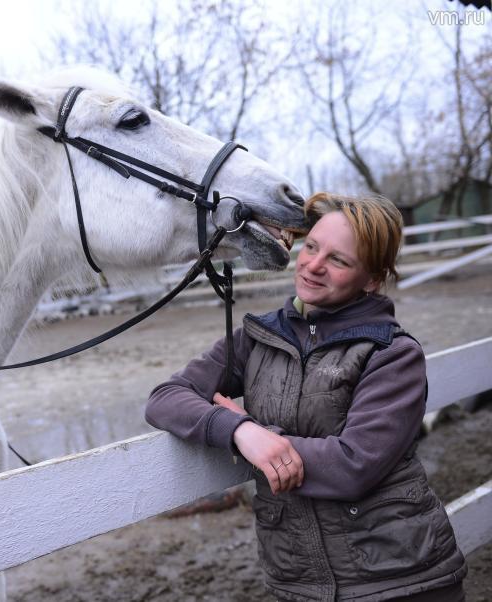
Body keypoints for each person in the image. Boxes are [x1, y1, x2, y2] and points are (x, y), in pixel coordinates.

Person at [145, 193, 467, 601]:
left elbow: (353, 466)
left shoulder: (392, 354)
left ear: (370, 279)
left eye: (339, 260)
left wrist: (266, 437)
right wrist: (240, 431)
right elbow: (166, 398)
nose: (313, 266)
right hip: (299, 582)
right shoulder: (258, 337)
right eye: (312, 247)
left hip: (399, 579)